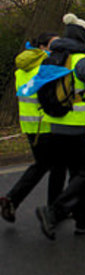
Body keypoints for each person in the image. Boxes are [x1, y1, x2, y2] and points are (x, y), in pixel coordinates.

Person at [35, 13, 85, 239]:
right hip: (78, 128)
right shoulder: (84, 61)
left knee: (77, 175)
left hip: (54, 125)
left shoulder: (52, 58)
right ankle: (53, 211)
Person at [0, 33, 67, 224]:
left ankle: (19, 201)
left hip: (29, 124)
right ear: (43, 47)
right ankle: (21, 200)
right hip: (44, 124)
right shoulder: (44, 68)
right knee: (53, 165)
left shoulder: (21, 69)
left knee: (47, 164)